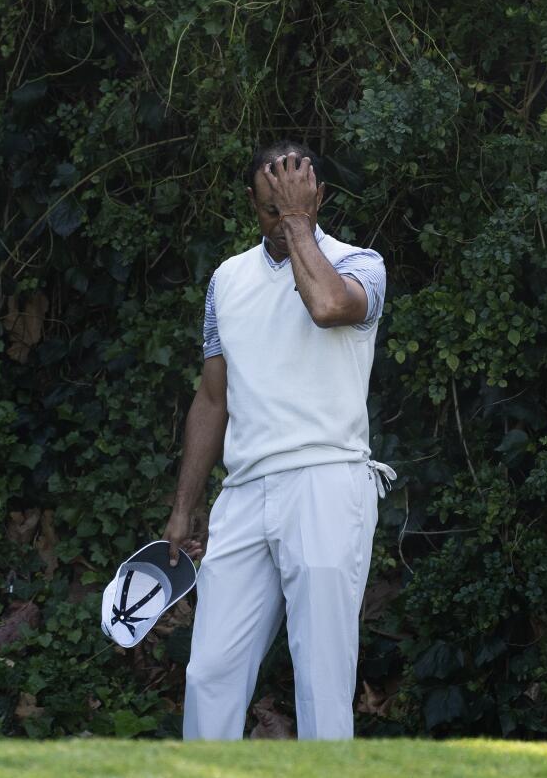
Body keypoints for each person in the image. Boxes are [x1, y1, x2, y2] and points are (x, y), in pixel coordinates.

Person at [161, 141, 393, 740]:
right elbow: (213, 398)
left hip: (327, 481)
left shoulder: (362, 264)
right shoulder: (226, 280)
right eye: (268, 210)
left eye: (289, 205)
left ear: (319, 197)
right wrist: (184, 507)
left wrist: (296, 227)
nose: (278, 220)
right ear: (250, 203)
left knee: (321, 681)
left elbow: (325, 305)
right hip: (243, 492)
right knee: (209, 671)